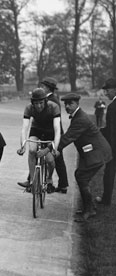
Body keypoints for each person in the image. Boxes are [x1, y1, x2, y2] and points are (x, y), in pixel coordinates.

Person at [57, 93, 112, 221]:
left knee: (81, 176)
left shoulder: (80, 119)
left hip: (97, 153)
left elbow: (68, 138)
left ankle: (89, 210)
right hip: (91, 152)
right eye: (65, 104)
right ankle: (89, 206)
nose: (67, 107)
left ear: (77, 104)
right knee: (81, 176)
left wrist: (50, 150)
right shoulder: (77, 116)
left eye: (70, 104)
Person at [17, 88, 61, 194]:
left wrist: (56, 147)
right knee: (32, 150)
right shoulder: (29, 108)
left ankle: (49, 178)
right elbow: (24, 128)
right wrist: (23, 145)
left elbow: (57, 129)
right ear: (32, 103)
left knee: (50, 160)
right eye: (36, 103)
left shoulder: (53, 107)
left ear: (45, 101)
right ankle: (32, 181)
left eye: (41, 103)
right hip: (36, 130)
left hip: (50, 131)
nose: (38, 106)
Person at [40, 77, 69, 193]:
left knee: (57, 159)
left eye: (43, 86)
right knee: (56, 159)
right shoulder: (51, 98)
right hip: (52, 132)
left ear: (47, 88)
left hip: (53, 133)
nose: (41, 88)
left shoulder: (52, 100)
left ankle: (63, 185)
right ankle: (63, 185)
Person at [98, 78, 116, 206]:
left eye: (108, 90)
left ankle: (106, 200)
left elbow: (112, 131)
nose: (106, 93)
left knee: (109, 173)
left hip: (114, 147)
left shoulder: (112, 107)